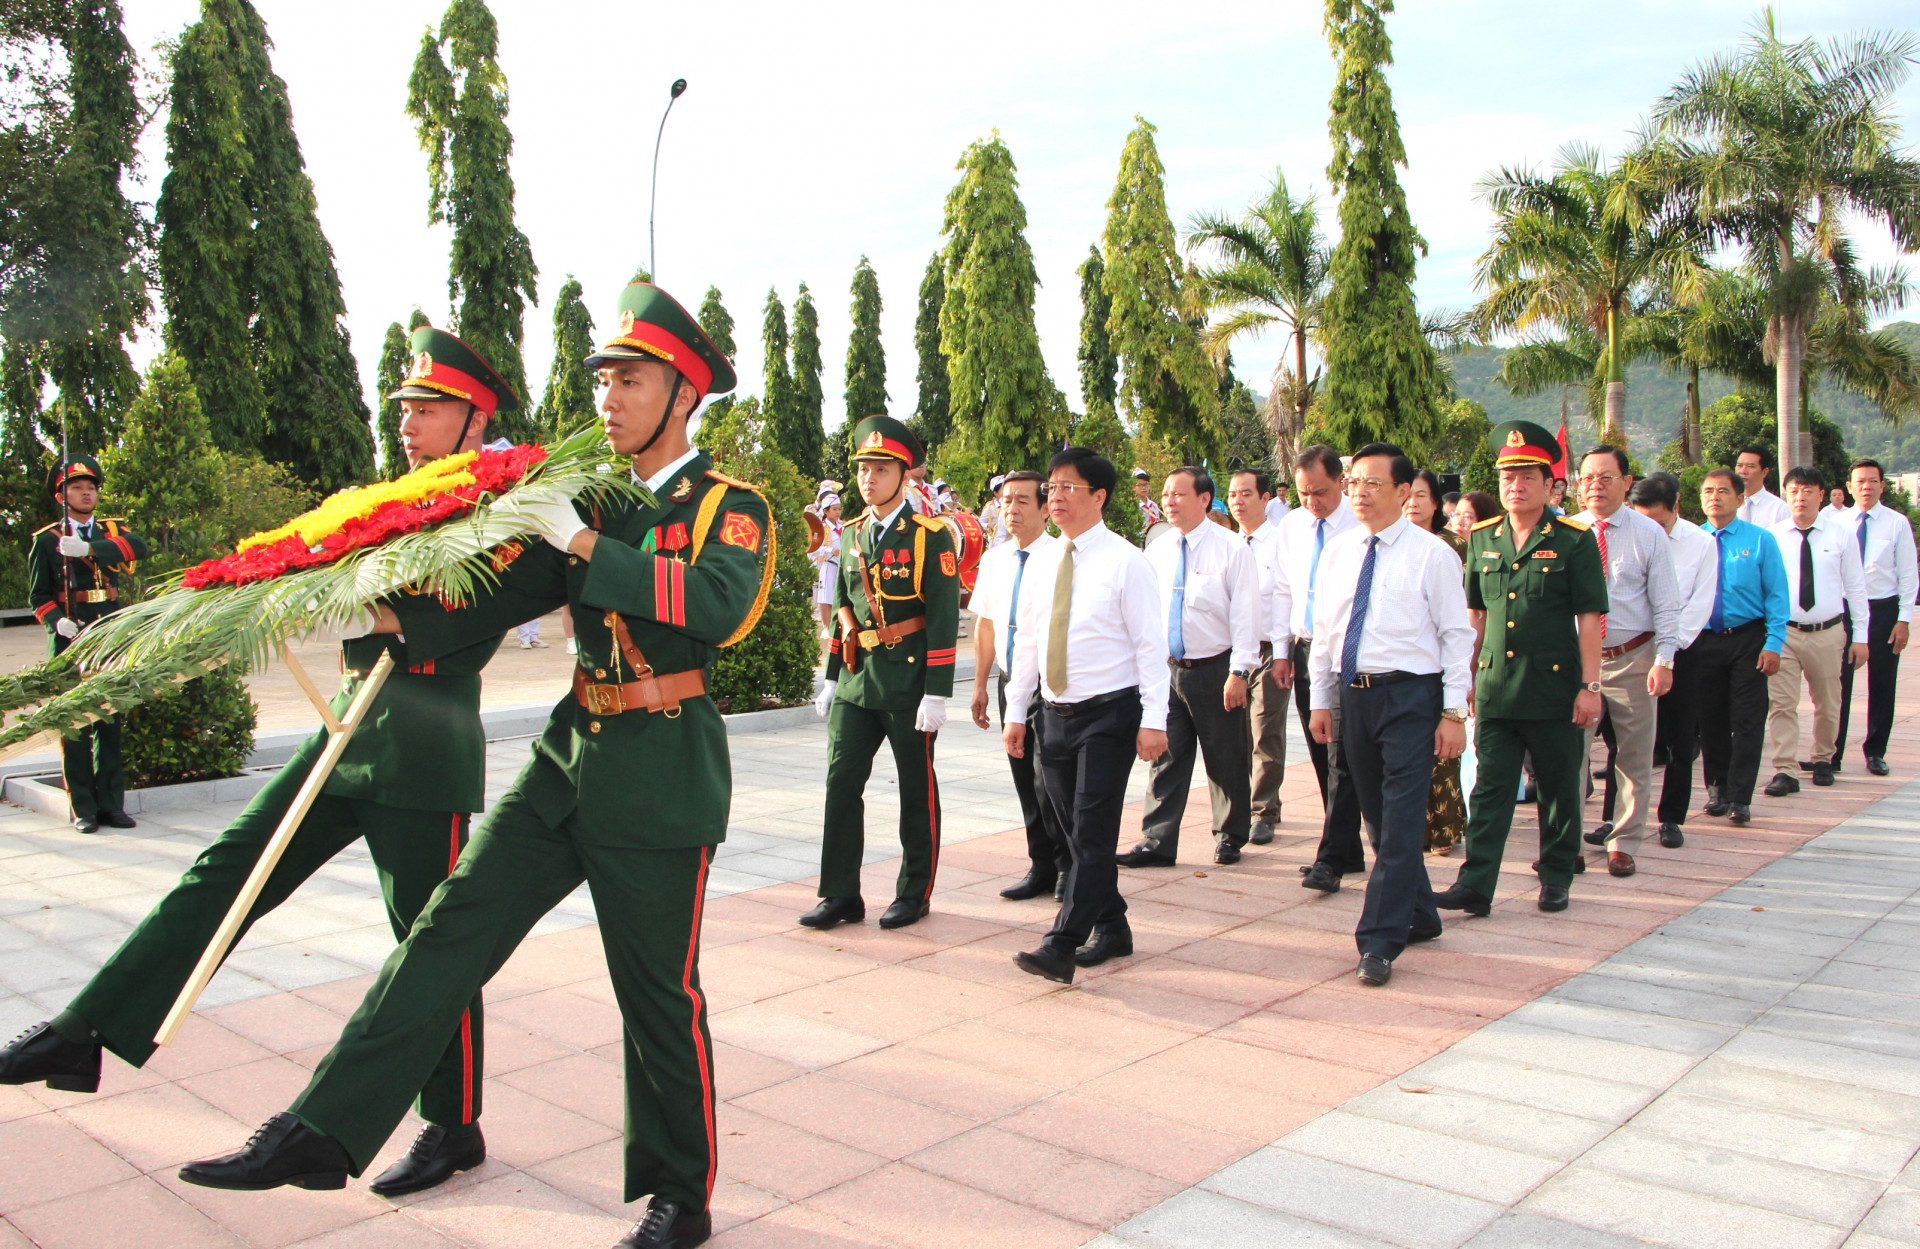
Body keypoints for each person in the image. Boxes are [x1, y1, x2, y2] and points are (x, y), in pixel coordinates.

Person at [174, 282, 770, 1249]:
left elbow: (716, 606)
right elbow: (487, 602)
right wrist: (369, 613)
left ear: (684, 393)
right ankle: (322, 1128)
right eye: (602, 380)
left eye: (631, 380)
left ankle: (679, 1196)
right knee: (446, 929)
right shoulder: (592, 500)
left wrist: (579, 542)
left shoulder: (727, 507)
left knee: (656, 991)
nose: (608, 399)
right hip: (569, 755)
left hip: (663, 770)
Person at [2, 328, 520, 1197]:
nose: (409, 425)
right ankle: (87, 1028)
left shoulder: (498, 509)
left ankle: (453, 1122)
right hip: (349, 722)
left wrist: (355, 602)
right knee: (225, 869)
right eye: (404, 410)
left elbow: (476, 613)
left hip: (424, 741)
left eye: (428, 411)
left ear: (475, 420)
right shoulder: (385, 497)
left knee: (424, 944)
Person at [1309, 444, 1473, 985]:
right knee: (1379, 820)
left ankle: (1378, 941)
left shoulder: (1432, 555)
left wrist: (1453, 712)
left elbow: (1456, 637)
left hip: (1412, 697)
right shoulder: (1337, 552)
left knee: (1402, 821)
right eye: (1354, 481)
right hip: (1355, 698)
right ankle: (1420, 914)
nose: (1360, 491)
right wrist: (1322, 699)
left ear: (1404, 492)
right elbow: (1326, 634)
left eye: (1373, 483)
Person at [1003, 447, 1168, 983]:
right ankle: (1114, 925)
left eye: (1068, 488)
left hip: (1109, 714)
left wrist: (1154, 718)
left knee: (1093, 833)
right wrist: (1016, 711)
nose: (1056, 498)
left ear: (1099, 496)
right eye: (1052, 488)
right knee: (1073, 832)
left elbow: (1150, 647)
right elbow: (1027, 640)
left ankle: (1062, 943)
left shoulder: (1126, 562)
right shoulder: (1043, 558)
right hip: (1053, 714)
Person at [1435, 420, 1607, 919]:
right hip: (1494, 688)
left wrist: (1589, 686)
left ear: (1550, 484)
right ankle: (1476, 884)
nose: (1516, 486)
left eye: (1528, 477)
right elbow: (1476, 617)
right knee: (1490, 787)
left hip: (1553, 687)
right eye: (1508, 477)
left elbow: (1590, 619)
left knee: (1557, 788)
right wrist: (1463, 678)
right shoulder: (1484, 539)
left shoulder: (1574, 540)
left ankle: (1555, 876)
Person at [803, 415, 960, 932]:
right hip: (855, 680)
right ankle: (840, 894)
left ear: (904, 475)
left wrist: (937, 693)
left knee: (915, 789)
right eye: (863, 468)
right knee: (840, 783)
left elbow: (941, 619)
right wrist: (830, 675)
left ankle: (915, 892)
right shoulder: (849, 536)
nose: (868, 478)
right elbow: (845, 611)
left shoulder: (929, 536)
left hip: (908, 682)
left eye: (881, 468)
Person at [1118, 467, 1261, 868]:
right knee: (1166, 756)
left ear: (1204, 499)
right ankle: (1157, 841)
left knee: (1225, 756)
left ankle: (1230, 834)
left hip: (1216, 669)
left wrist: (1240, 672)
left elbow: (1246, 617)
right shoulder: (1157, 550)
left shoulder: (1232, 549)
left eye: (1179, 494)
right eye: (1165, 494)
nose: (1169, 501)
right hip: (1166, 670)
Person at [1569, 446, 1679, 878]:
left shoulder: (1649, 533)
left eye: (1606, 477)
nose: (1596, 486)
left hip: (1633, 656)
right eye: (1588, 477)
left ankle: (1624, 842)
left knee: (1634, 757)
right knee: (1570, 755)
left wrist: (1664, 658)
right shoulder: (1565, 530)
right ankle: (1569, 841)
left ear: (1627, 482)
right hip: (1577, 661)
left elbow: (1667, 603)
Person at [28, 455, 149, 834]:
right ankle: (83, 807)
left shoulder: (111, 530)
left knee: (109, 719)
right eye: (76, 488)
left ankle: (112, 804)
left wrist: (90, 549)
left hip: (108, 632)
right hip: (71, 635)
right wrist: (56, 621)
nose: (85, 493)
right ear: (61, 496)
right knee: (75, 724)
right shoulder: (47, 541)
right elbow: (38, 597)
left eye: (90, 488)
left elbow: (138, 547)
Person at [968, 471, 1067, 901]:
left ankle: (1068, 866)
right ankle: (1040, 865)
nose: (1012, 509)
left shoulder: (1062, 556)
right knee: (1024, 778)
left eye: (1023, 500)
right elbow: (986, 627)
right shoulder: (994, 560)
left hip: (1052, 687)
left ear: (1046, 508)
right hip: (1012, 683)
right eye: (1007, 500)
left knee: (1053, 783)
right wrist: (980, 685)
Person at [1272, 446, 1365, 891]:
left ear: (1341, 483)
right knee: (1319, 747)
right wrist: (1281, 652)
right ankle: (1348, 847)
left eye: (1322, 492)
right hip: (1306, 648)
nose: (1313, 502)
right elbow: (1282, 592)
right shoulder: (1291, 527)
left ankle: (1331, 857)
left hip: (1347, 652)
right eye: (1305, 493)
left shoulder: (1360, 525)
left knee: (1340, 756)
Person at [1623, 473, 1718, 850]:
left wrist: (1668, 650)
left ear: (1676, 505)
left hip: (1681, 650)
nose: (1654, 532)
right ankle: (1618, 817)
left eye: (1660, 523)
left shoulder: (1700, 543)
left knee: (1679, 738)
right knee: (1626, 740)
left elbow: (1699, 604)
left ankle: (1671, 817)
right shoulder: (1627, 535)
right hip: (1632, 649)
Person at [1764, 466, 1869, 797]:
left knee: (1827, 700)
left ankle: (1823, 758)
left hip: (1827, 631)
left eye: (1808, 490)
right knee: (1781, 703)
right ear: (1786, 494)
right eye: (1794, 490)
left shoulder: (1840, 534)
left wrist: (1862, 636)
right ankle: (1785, 769)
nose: (1800, 497)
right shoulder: (1773, 535)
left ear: (1821, 495)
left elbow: (1855, 586)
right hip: (1784, 633)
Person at [1695, 467, 1789, 825]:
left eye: (1722, 491)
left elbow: (1777, 595)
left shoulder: (1761, 539)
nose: (1714, 498)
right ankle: (1717, 788)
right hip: (1704, 641)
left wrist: (1774, 643)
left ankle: (1741, 796)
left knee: (1747, 720)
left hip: (1749, 639)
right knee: (1711, 719)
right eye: (1707, 491)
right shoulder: (1694, 539)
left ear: (1739, 498)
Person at [1836, 458, 1918, 776]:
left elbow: (1909, 576)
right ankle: (1832, 754)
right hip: (1844, 611)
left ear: (1882, 485)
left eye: (1872, 481)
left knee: (1882, 683)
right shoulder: (1837, 524)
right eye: (1860, 481)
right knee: (1838, 684)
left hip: (1883, 610)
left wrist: (1904, 619)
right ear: (1849, 487)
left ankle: (1875, 751)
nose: (1866, 487)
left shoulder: (1896, 523)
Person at [1406, 468, 1467, 855]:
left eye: (1422, 496)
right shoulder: (1388, 542)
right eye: (1408, 495)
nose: (1413, 503)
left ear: (1436, 503)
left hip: (1443, 660)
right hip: (1406, 664)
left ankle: (1444, 830)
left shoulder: (1453, 547)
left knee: (1441, 752)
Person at [1227, 467, 1287, 844]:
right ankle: (1236, 807)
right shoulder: (1225, 544)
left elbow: (1285, 599)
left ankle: (1264, 810)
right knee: (1235, 735)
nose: (1239, 501)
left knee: (1265, 730)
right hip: (1231, 654)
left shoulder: (1282, 543)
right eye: (1233, 494)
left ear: (1266, 498)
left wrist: (1283, 653)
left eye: (1247, 493)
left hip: (1267, 650)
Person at [1734, 445, 1791, 529]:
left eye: (1750, 466)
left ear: (1764, 472)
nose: (1743, 471)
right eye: (1739, 465)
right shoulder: (1725, 505)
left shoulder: (1780, 509)